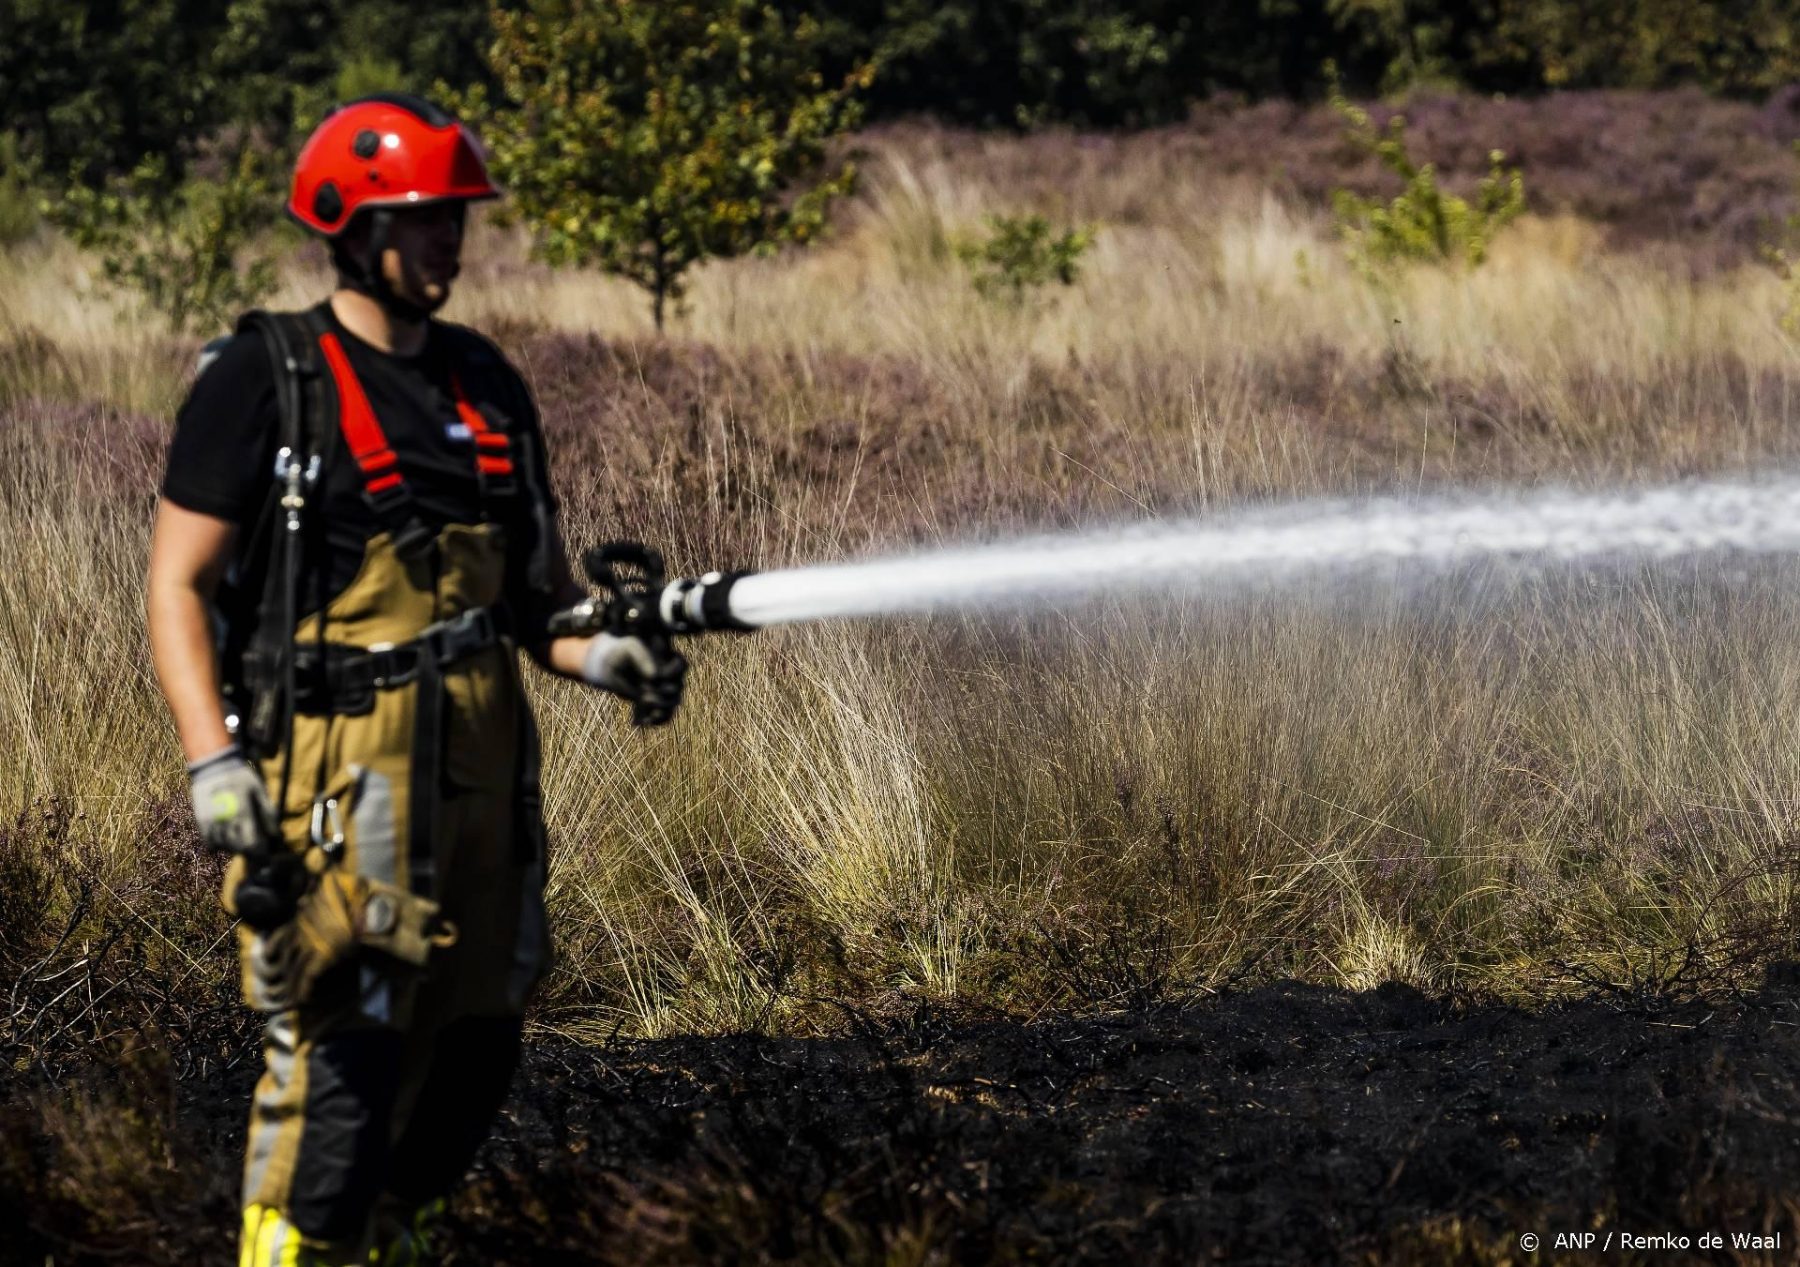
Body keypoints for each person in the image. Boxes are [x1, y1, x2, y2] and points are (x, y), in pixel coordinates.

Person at [145, 93, 685, 1265]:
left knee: (476, 1054)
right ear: (352, 225)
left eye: (458, 217)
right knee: (344, 1063)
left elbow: (538, 609)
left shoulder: (487, 383)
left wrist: (609, 654)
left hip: (487, 781)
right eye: (427, 217)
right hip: (339, 778)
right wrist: (213, 762)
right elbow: (178, 584)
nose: (452, 239)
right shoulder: (266, 376)